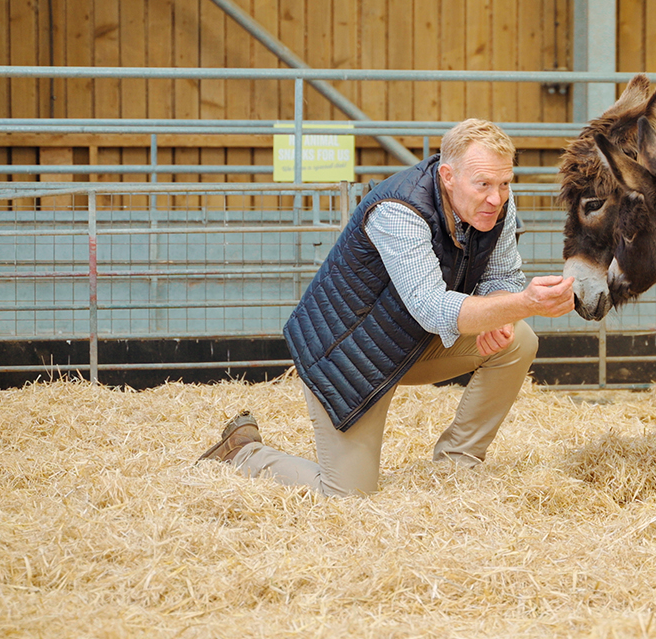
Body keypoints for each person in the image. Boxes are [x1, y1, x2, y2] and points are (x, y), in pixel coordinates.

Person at [197, 118, 575, 496]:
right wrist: (523, 303)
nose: (497, 197)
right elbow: (431, 308)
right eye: (484, 185)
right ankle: (245, 452)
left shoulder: (495, 209)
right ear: (447, 176)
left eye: (505, 183)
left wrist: (501, 310)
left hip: (412, 341)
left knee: (517, 340)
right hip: (350, 355)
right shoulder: (399, 210)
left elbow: (503, 276)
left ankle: (456, 466)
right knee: (346, 496)